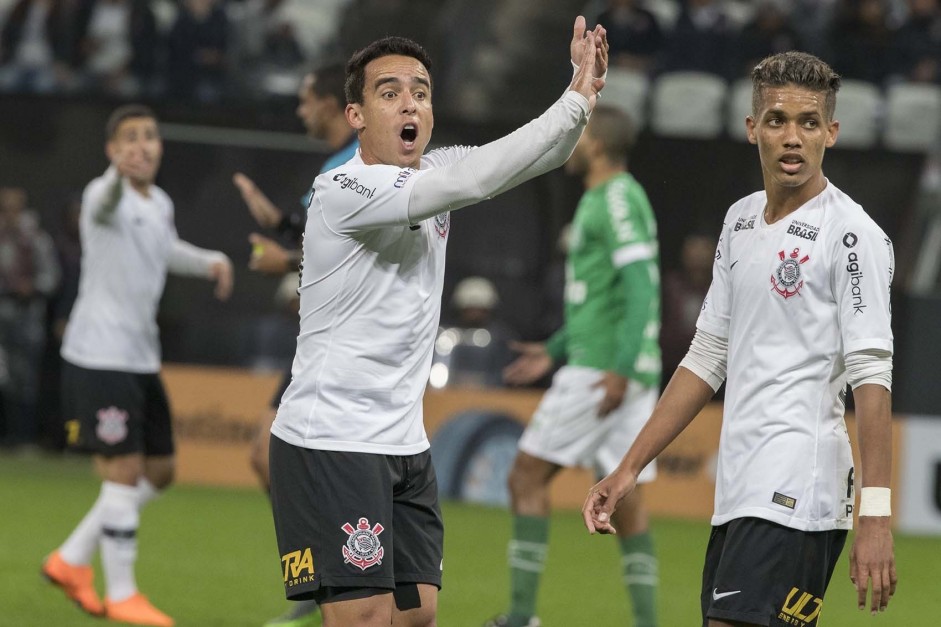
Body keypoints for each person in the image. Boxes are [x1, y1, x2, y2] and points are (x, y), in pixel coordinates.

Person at [267, 17, 607, 627]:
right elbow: (477, 177)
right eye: (390, 92)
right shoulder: (344, 188)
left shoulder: (434, 173)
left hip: (404, 441)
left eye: (421, 92)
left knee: (417, 615)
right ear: (356, 116)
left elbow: (540, 158)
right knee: (365, 618)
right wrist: (571, 100)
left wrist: (579, 98)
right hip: (334, 439)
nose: (410, 104)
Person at [583, 51, 899, 626]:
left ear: (831, 132)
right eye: (778, 120)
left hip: (799, 489)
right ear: (753, 128)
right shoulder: (741, 221)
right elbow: (706, 356)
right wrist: (628, 467)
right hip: (739, 487)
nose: (792, 138)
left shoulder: (852, 236)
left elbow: (872, 377)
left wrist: (875, 513)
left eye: (808, 123)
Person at [41, 104, 233, 627]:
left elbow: (164, 249)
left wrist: (210, 260)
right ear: (111, 150)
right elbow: (102, 201)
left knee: (161, 470)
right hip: (99, 355)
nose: (140, 146)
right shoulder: (102, 197)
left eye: (148, 137)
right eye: (128, 139)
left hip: (139, 357)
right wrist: (113, 176)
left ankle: (71, 559)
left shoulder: (160, 201)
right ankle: (122, 594)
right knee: (123, 472)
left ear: (160, 146)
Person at [486, 105, 661, 627]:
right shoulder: (602, 199)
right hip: (611, 365)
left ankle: (520, 618)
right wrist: (555, 348)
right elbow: (600, 300)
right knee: (626, 501)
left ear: (598, 145)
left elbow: (642, 287)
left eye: (577, 135)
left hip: (604, 371)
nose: (570, 144)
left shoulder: (618, 198)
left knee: (525, 476)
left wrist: (620, 368)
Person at [233, 60, 359, 627]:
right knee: (269, 456)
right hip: (321, 339)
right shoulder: (338, 164)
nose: (301, 110)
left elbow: (337, 253)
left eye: (306, 100)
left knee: (287, 458)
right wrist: (279, 222)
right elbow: (313, 233)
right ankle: (318, 581)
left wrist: (281, 258)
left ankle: (333, 581)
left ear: (332, 104)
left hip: (345, 340)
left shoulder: (353, 163)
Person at [0, 186, 60, 450]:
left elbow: (51, 277)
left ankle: (23, 437)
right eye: (6, 207)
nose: (11, 213)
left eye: (16, 207)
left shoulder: (36, 239)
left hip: (28, 317)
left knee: (25, 380)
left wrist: (32, 287)